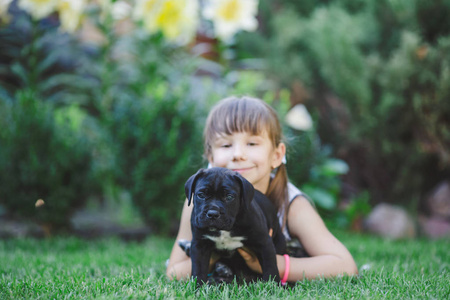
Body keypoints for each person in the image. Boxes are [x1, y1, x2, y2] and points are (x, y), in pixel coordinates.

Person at [166, 96, 358, 283]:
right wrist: (214, 250)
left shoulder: (292, 204)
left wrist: (272, 264)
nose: (238, 154)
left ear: (277, 155)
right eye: (225, 144)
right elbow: (173, 273)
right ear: (210, 156)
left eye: (252, 143)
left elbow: (345, 266)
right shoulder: (198, 202)